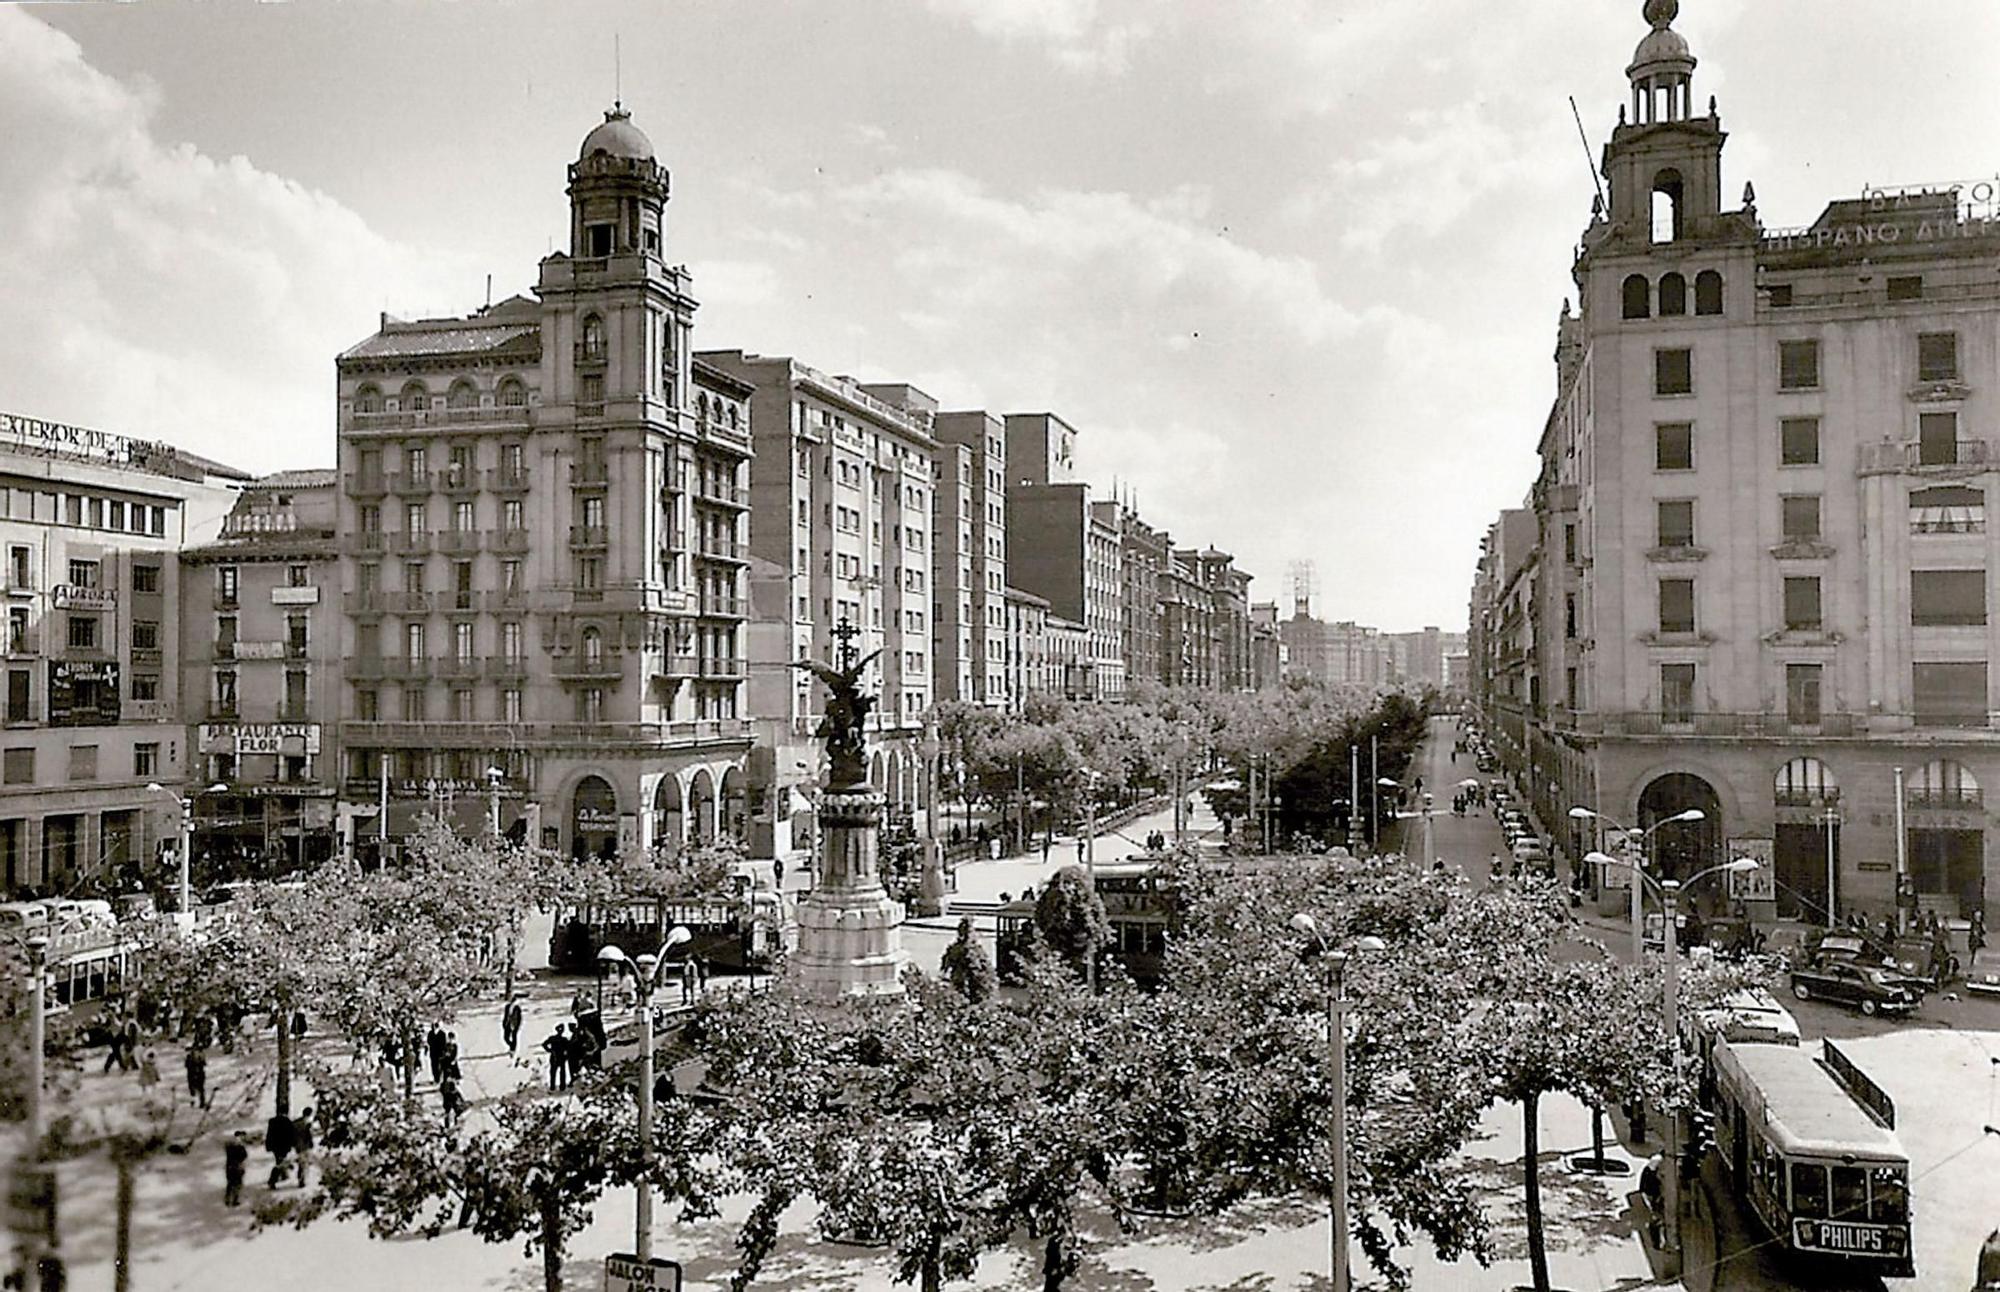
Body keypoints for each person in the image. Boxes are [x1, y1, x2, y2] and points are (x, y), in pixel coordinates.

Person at [265, 1111, 298, 1189]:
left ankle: (283, 1175)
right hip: (284, 1146)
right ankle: (272, 1180)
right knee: (280, 1164)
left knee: (279, 1161)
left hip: (275, 1147)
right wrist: (293, 1144)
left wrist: (268, 1145)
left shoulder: (272, 1121)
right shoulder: (287, 1121)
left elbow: (269, 1134)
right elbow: (291, 1134)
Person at [223, 1133, 249, 1207]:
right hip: (238, 1168)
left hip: (230, 1168)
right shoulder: (240, 1148)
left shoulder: (229, 1148)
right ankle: (235, 1200)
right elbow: (244, 1156)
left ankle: (227, 1199)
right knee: (237, 1184)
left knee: (230, 1184)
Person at [292, 1108, 315, 1189]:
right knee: (305, 1164)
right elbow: (309, 1136)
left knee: (302, 1163)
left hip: (298, 1146)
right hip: (305, 1146)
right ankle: (302, 1180)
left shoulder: (295, 1122)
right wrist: (311, 1144)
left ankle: (301, 1179)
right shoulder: (307, 1124)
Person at [543, 1025, 570, 1092]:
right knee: (559, 1072)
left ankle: (555, 1086)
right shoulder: (563, 1039)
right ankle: (561, 1086)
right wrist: (550, 1050)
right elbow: (544, 1044)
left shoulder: (556, 1039)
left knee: (556, 1072)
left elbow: (544, 1044)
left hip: (557, 1056)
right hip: (558, 1056)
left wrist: (550, 1050)